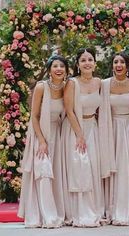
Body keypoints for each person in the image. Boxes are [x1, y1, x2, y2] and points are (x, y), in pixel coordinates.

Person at [18, 55, 69, 228]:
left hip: (57, 133)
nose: (59, 69)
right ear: (49, 69)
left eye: (62, 66)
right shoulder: (41, 87)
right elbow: (34, 116)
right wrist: (41, 141)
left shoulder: (66, 87)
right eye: (55, 66)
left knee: (54, 174)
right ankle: (45, 216)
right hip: (40, 133)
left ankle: (54, 211)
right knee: (43, 173)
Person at [61, 48, 103, 227]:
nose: (87, 63)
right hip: (74, 130)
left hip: (93, 128)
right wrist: (79, 135)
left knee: (92, 167)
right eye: (83, 60)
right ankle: (77, 211)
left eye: (90, 59)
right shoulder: (72, 83)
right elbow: (69, 110)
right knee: (79, 167)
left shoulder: (100, 82)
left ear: (95, 63)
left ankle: (94, 208)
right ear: (77, 64)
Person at [99, 52, 129, 225]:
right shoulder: (105, 84)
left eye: (122, 62)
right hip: (110, 127)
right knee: (112, 167)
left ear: (127, 65)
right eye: (115, 61)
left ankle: (128, 208)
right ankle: (111, 208)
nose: (119, 65)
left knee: (126, 167)